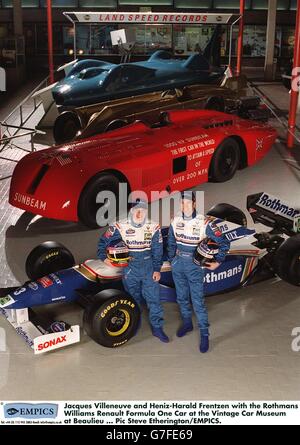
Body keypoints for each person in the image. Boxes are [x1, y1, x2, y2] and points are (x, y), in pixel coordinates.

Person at [98, 201, 169, 343]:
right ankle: (134, 324)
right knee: (132, 298)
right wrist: (104, 258)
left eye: (142, 210)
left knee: (153, 299)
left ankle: (157, 327)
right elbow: (102, 243)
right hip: (129, 266)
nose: (139, 213)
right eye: (136, 210)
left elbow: (157, 250)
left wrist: (157, 269)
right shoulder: (119, 225)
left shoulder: (153, 226)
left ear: (146, 212)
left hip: (148, 266)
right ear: (131, 211)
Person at [168, 192, 230, 353]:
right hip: (178, 264)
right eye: (182, 203)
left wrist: (218, 261)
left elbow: (223, 242)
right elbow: (170, 242)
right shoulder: (175, 220)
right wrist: (173, 259)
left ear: (194, 204)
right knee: (181, 297)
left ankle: (204, 333)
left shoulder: (205, 223)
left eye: (188, 203)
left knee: (198, 301)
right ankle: (187, 323)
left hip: (195, 266)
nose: (184, 206)